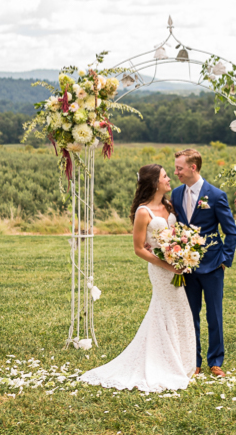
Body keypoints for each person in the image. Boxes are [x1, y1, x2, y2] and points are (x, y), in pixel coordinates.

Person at [78, 164, 196, 392]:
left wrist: (181, 257)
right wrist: (166, 264)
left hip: (175, 266)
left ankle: (181, 361)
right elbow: (139, 248)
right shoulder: (144, 212)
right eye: (165, 176)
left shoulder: (168, 205)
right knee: (164, 309)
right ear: (155, 183)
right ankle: (162, 361)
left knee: (180, 308)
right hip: (161, 270)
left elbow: (176, 235)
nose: (169, 178)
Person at [171, 148, 236, 377]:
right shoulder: (176, 193)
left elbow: (231, 232)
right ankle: (194, 361)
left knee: (214, 316)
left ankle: (216, 361)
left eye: (179, 168)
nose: (176, 171)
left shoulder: (216, 195)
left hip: (212, 266)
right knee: (190, 315)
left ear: (193, 167)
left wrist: (225, 260)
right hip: (186, 267)